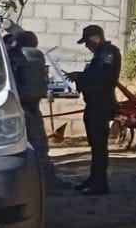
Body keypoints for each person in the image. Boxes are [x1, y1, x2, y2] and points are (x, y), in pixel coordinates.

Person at [65, 24, 122, 195]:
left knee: (99, 146)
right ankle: (93, 179)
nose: (87, 46)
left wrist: (81, 76)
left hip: (101, 104)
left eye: (87, 42)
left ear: (96, 38)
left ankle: (99, 183)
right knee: (95, 145)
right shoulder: (100, 54)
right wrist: (80, 77)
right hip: (94, 104)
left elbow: (103, 77)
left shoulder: (109, 53)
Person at [9, 29, 67, 191]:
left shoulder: (13, 56)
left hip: (17, 104)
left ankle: (26, 183)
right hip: (34, 105)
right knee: (40, 145)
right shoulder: (37, 55)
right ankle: (47, 179)